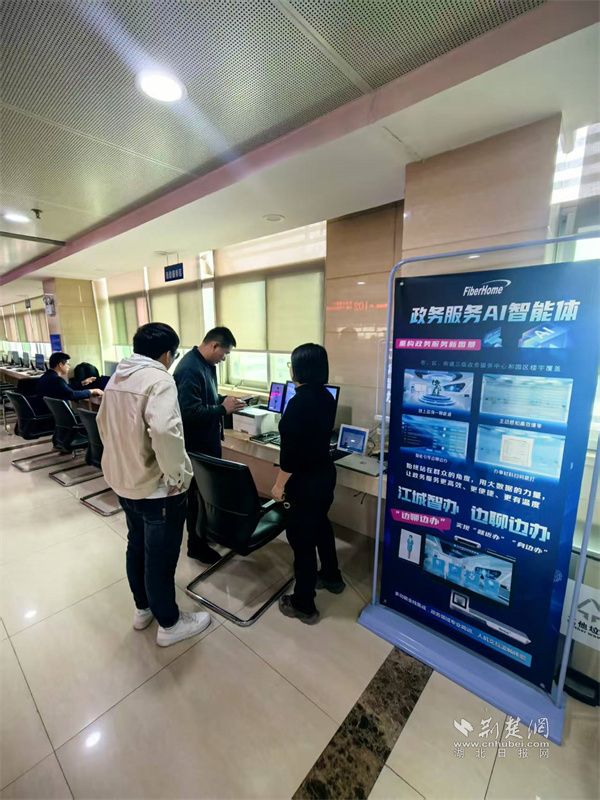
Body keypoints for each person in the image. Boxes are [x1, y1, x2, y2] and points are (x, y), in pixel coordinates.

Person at [97, 323, 210, 647]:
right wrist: (177, 476)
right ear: (167, 355)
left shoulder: (119, 376)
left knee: (136, 546)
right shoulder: (159, 379)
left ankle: (143, 609)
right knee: (159, 558)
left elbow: (104, 423)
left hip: (124, 481)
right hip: (156, 490)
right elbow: (164, 431)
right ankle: (170, 624)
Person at [271, 343, 344, 625]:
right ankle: (332, 576)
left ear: (298, 369)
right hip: (324, 476)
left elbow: (290, 457)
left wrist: (279, 486)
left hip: (304, 482)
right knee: (321, 524)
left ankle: (303, 603)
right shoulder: (326, 397)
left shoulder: (297, 403)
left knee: (301, 541)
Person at [174, 327, 245, 564]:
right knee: (197, 497)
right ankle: (195, 545)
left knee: (207, 495)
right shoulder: (190, 369)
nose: (224, 359)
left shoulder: (206, 365)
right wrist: (222, 409)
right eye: (224, 353)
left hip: (208, 441)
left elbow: (205, 398)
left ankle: (204, 534)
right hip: (196, 446)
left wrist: (224, 401)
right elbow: (188, 412)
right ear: (214, 345)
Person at [36, 352, 104, 406]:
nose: (69, 367)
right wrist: (91, 391)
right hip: (57, 415)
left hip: (48, 411)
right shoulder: (56, 380)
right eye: (67, 364)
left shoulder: (46, 376)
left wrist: (83, 383)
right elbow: (71, 394)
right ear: (60, 365)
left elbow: (65, 388)